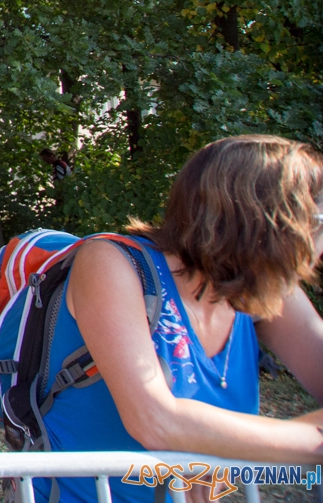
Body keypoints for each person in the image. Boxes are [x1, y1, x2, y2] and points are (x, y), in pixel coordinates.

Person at [39, 135, 323, 503]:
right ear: (265, 220)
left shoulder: (265, 290)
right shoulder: (111, 264)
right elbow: (156, 421)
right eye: (318, 219)